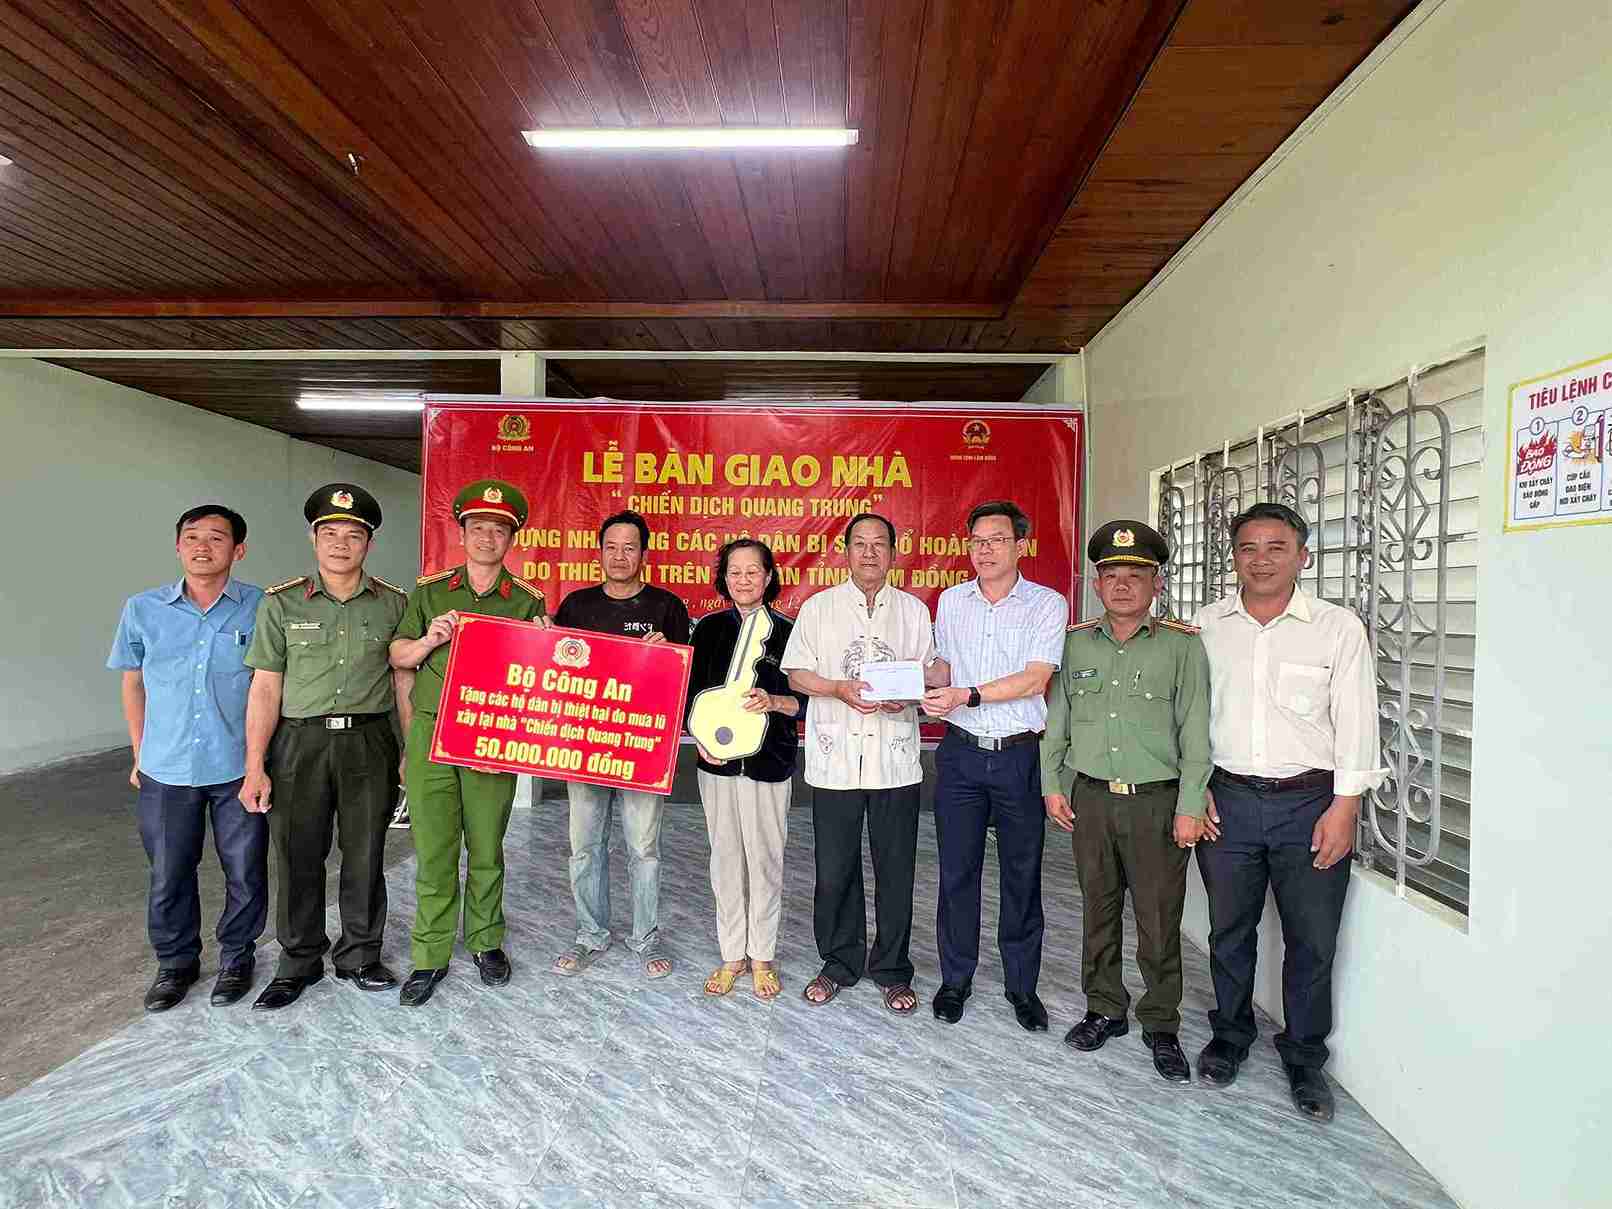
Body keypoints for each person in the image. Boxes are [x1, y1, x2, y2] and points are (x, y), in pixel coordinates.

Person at [1192, 501, 1384, 1120]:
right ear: (1233, 558)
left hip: (1310, 804)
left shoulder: (1336, 628)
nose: (1261, 560)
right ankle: (1230, 1035)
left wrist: (1344, 807)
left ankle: (1304, 1057)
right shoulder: (1207, 626)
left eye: (1276, 547)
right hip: (1227, 801)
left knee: (1312, 939)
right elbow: (1188, 717)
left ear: (1303, 556)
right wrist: (1196, 788)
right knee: (1229, 930)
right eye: (1248, 548)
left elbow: (1358, 722)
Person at [1040, 520, 1211, 1082]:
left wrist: (1190, 804)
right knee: (1098, 910)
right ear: (1096, 584)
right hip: (1091, 798)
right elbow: (1058, 721)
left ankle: (1160, 1022)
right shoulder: (1074, 643)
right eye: (1111, 574)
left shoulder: (1182, 646)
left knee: (1159, 920)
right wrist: (1051, 784)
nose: (1121, 585)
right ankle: (1105, 1008)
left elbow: (1195, 731)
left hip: (1156, 803)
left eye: (1135, 575)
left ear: (1156, 584)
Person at [240, 484, 410, 1011]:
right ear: (314, 540)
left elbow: (403, 681)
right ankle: (298, 960)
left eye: (353, 535)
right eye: (329, 533)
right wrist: (254, 764)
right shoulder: (281, 602)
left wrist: (409, 751)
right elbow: (265, 686)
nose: (341, 543)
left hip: (369, 741)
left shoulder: (393, 603)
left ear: (368, 544)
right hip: (299, 743)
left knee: (366, 853)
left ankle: (360, 955)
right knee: (298, 855)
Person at [387, 479, 547, 1006]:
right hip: (432, 732)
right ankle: (430, 954)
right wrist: (429, 638)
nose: (486, 537)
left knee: (486, 847)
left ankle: (485, 941)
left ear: (511, 539)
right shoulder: (430, 592)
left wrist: (547, 645)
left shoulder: (526, 601)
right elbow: (398, 657)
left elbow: (540, 679)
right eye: (477, 527)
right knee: (434, 850)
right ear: (462, 534)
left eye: (498, 530)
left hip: (492, 736)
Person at [108, 505, 266, 1011]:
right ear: (178, 546)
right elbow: (133, 683)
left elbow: (269, 686)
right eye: (192, 537)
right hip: (167, 767)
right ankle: (176, 964)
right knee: (169, 872)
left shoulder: (262, 607)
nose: (202, 546)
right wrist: (139, 752)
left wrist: (261, 763)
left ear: (238, 551)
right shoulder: (143, 609)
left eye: (216, 538)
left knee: (245, 871)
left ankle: (237, 958)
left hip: (237, 766)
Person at [922, 500, 1066, 1031]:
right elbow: (943, 665)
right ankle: (955, 979)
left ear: (1020, 546)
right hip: (961, 754)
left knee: (1021, 875)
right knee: (957, 873)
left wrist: (967, 694)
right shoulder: (951, 600)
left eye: (997, 540)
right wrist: (914, 678)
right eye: (977, 541)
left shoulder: (1046, 604)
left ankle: (1021, 986)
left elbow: (1035, 678)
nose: (985, 550)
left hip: (1018, 756)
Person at [781, 513, 933, 1014]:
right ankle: (839, 962)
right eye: (860, 544)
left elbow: (926, 675)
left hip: (895, 761)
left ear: (893, 553)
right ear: (845, 552)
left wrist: (908, 695)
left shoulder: (913, 611)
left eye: (879, 544)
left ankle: (892, 969)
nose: (869, 553)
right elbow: (796, 674)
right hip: (836, 759)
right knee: (834, 870)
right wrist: (836, 688)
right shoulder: (819, 608)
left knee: (896, 870)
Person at [550, 509, 690, 981]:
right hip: (585, 745)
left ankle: (645, 939)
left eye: (630, 547)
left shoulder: (667, 607)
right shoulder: (576, 606)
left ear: (644, 554)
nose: (620, 555)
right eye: (611, 547)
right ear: (599, 552)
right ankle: (590, 935)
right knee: (585, 847)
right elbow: (556, 673)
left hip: (641, 747)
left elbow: (683, 681)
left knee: (643, 849)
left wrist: (664, 656)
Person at [685, 539, 806, 1000]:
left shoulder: (790, 632)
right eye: (734, 572)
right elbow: (688, 695)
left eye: (753, 571)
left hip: (768, 763)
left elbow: (807, 702)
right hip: (715, 766)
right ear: (723, 578)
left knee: (766, 860)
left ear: (769, 576)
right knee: (725, 859)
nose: (743, 580)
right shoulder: (708, 629)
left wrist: (774, 701)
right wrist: (699, 739)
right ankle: (732, 954)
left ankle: (762, 956)